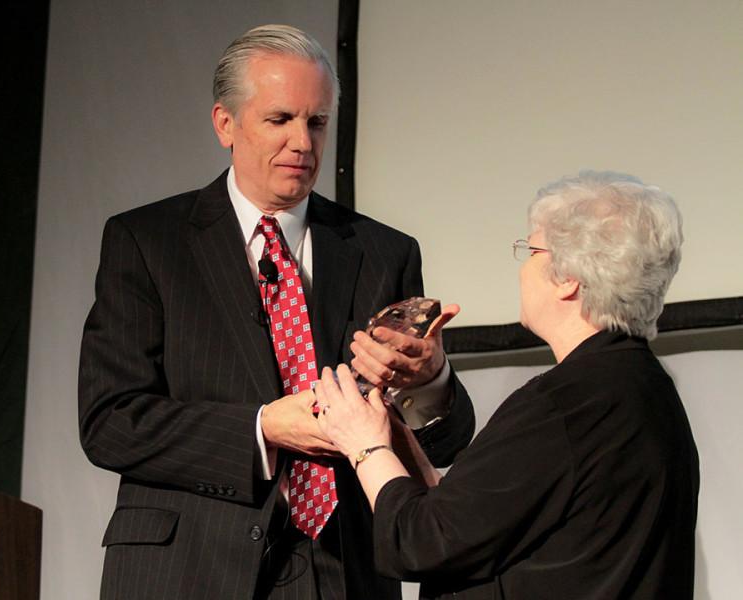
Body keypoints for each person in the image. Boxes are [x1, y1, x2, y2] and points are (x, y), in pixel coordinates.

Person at [78, 24, 474, 600]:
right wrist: (263, 429)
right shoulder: (147, 242)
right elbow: (109, 422)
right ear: (225, 124)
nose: (304, 144)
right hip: (187, 570)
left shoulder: (385, 252)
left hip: (346, 571)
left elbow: (443, 444)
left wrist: (429, 381)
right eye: (280, 119)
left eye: (316, 122)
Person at [315, 171, 700, 599]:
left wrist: (363, 442)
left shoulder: (565, 404)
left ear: (568, 277)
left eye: (531, 250)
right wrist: (393, 426)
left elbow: (421, 540)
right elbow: (462, 520)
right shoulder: (643, 388)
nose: (523, 269)